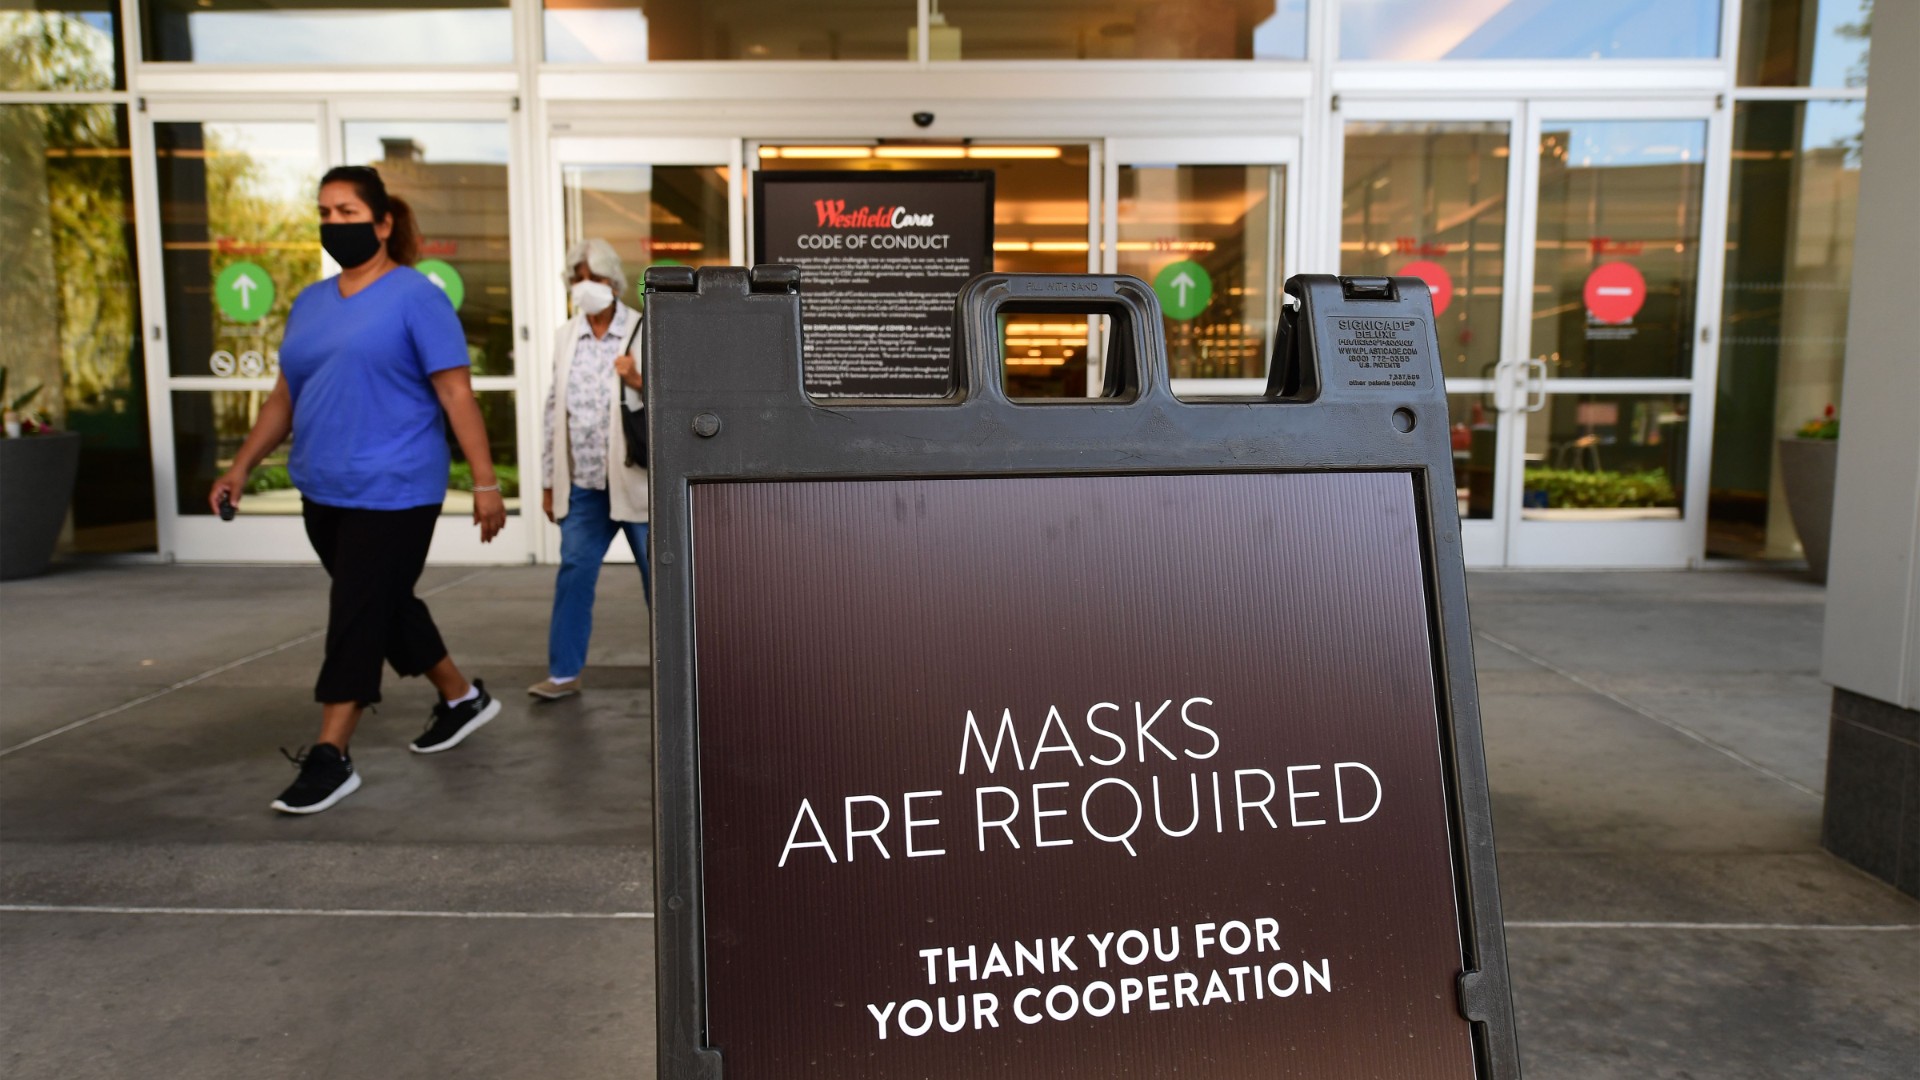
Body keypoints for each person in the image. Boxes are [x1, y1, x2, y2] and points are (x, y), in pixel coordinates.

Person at [209, 164, 507, 815]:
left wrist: (486, 484)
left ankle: (331, 754)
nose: (334, 224)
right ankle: (463, 698)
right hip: (324, 487)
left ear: (383, 221)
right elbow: (284, 397)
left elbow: (456, 392)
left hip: (397, 487)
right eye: (326, 213)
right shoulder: (312, 303)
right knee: (381, 601)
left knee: (355, 613)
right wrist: (240, 467)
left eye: (347, 212)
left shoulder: (415, 297)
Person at [526, 238, 650, 701]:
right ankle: (563, 673)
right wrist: (547, 481)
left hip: (635, 482)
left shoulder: (642, 330)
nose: (586, 287)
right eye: (578, 279)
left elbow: (677, 405)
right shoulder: (566, 336)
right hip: (583, 485)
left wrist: (639, 380)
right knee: (574, 572)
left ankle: (683, 671)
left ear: (614, 283)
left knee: (658, 580)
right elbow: (553, 409)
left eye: (594, 278)